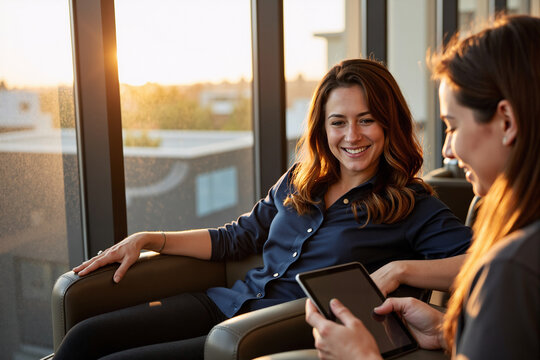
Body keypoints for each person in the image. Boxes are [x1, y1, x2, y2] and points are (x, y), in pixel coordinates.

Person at [53, 59, 471, 359]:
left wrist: (401, 269)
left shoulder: (410, 203)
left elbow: (480, 263)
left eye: (366, 120)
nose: (351, 135)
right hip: (225, 302)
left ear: (388, 123)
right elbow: (237, 237)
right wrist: (149, 238)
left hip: (269, 330)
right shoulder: (302, 178)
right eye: (338, 122)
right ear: (322, 128)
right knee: (85, 338)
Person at [305, 15, 540, 360]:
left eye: (453, 126)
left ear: (506, 122)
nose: (446, 150)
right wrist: (449, 330)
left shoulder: (510, 268)